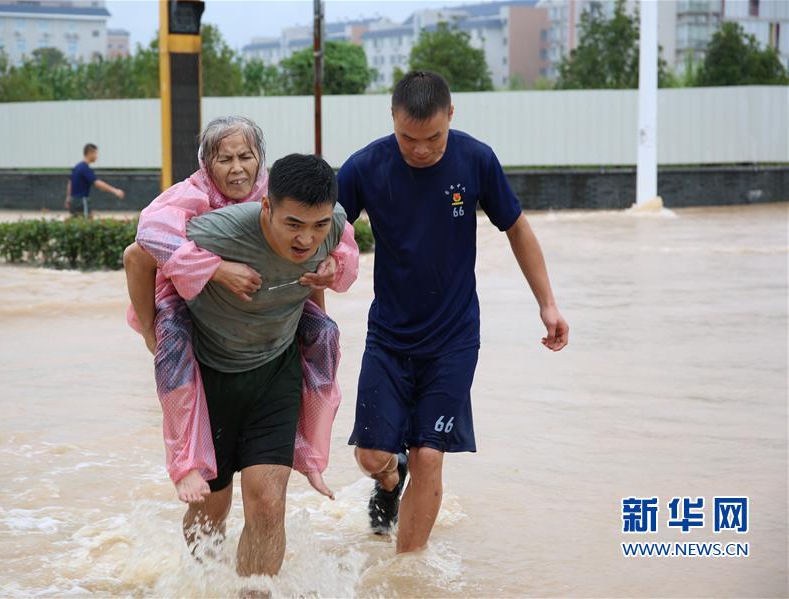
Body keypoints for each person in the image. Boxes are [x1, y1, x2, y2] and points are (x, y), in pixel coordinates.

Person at [337, 71, 570, 553]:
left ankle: (406, 571)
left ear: (451, 116)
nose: (420, 149)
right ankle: (387, 480)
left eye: (432, 138)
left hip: (454, 339)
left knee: (429, 456)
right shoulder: (365, 167)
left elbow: (517, 229)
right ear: (392, 119)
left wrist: (547, 304)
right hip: (389, 336)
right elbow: (320, 230)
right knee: (370, 453)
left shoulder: (476, 160)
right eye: (408, 138)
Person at [122, 117, 357, 536]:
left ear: (260, 160)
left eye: (246, 156)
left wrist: (331, 266)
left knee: (326, 335)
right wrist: (214, 269)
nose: (236, 169)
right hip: (187, 302)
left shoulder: (281, 197)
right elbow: (146, 241)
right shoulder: (192, 197)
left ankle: (311, 456)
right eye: (224, 158)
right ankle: (186, 465)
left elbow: (339, 243)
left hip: (272, 316)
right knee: (174, 350)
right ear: (206, 163)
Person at [65, 143, 125, 217]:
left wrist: (68, 198)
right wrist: (115, 191)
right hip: (82, 201)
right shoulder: (85, 168)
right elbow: (97, 183)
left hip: (73, 201)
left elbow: (70, 183)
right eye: (96, 153)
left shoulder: (77, 167)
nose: (97, 156)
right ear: (90, 153)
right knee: (86, 223)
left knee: (77, 223)